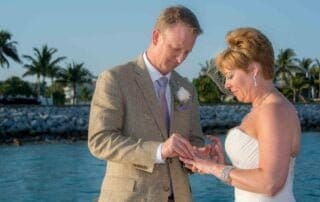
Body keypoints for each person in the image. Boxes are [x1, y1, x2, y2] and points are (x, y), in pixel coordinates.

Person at [88, 5, 205, 202]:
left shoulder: (187, 88)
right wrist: (159, 151)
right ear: (156, 37)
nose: (180, 59)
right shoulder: (114, 79)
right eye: (176, 49)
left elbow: (195, 139)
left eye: (187, 52)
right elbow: (100, 141)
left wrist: (199, 155)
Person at [180, 27, 301, 201]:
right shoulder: (263, 108)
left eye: (230, 76)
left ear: (253, 70)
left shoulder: (274, 111)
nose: (227, 85)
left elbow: (270, 183)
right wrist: (220, 166)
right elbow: (254, 182)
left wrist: (212, 168)